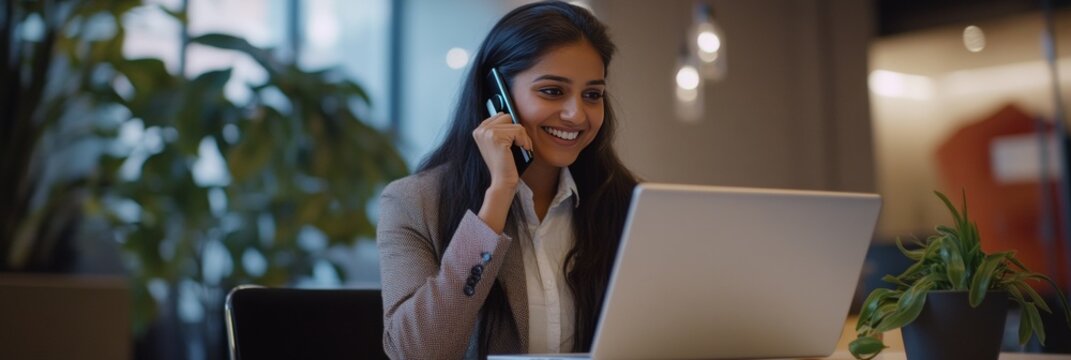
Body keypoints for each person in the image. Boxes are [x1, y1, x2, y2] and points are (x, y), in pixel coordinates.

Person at [377, 1, 638, 358]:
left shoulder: (629, 204)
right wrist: (498, 196)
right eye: (552, 91)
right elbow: (417, 351)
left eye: (592, 95)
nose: (577, 114)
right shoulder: (414, 204)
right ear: (496, 97)